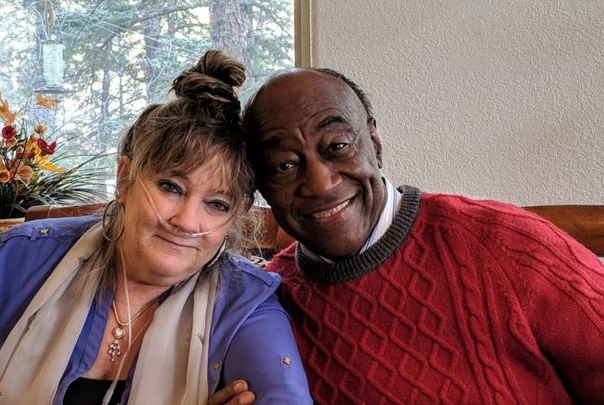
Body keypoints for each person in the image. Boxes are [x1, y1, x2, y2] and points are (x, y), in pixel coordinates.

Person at [0, 50, 312, 405]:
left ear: (234, 218)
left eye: (217, 204)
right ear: (124, 179)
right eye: (170, 187)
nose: (187, 221)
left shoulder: (246, 304)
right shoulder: (14, 260)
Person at [214, 67, 604, 404]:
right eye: (284, 165)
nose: (321, 184)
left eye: (337, 146)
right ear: (260, 185)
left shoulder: (508, 245)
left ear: (374, 142)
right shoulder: (265, 305)